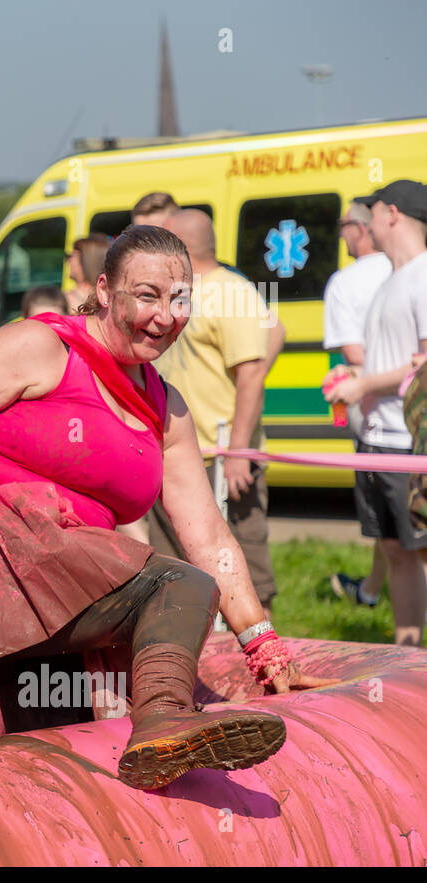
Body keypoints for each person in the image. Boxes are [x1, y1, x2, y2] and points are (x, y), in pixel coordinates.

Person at [0, 225, 333, 789]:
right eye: (146, 296)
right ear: (105, 290)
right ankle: (164, 719)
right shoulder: (42, 347)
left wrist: (266, 651)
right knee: (183, 586)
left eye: (179, 299)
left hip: (60, 591)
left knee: (54, 752)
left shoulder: (166, 410)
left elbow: (210, 538)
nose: (165, 316)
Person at [148, 208, 277, 612]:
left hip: (220, 458)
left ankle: (262, 661)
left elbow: (252, 374)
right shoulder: (175, 293)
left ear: (181, 246)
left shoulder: (233, 293)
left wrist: (238, 453)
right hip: (172, 454)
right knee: (172, 571)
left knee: (244, 569)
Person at [324, 180, 427, 646]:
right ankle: (409, 657)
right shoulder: (391, 277)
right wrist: (355, 376)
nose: (362, 225)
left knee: (417, 551)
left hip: (409, 445)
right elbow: (397, 359)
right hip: (379, 439)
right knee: (396, 551)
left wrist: (362, 384)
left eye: (370, 212)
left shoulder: (423, 276)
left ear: (391, 213)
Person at [323, 201, 393, 607]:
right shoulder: (410, 268)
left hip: (377, 408)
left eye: (344, 225)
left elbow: (355, 355)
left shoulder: (346, 282)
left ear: (362, 228)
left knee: (390, 510)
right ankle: (370, 589)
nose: (341, 234)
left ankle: (377, 593)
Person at [65, 234, 111, 313]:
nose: (67, 260)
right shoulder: (110, 301)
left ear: (85, 261)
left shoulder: (64, 301)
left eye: (70, 256)